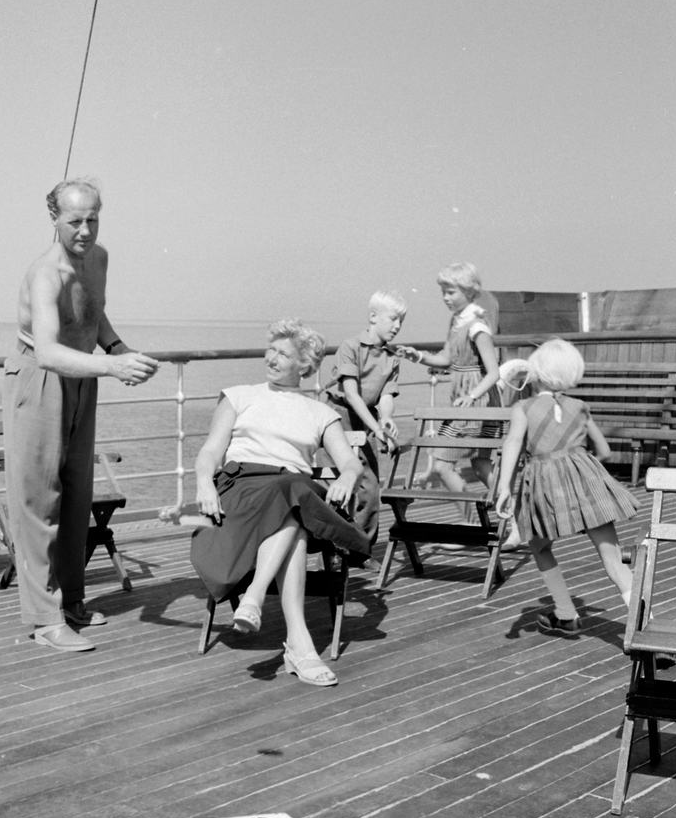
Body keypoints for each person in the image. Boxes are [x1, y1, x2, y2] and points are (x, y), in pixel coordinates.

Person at [4, 176, 161, 652]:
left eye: (93, 219)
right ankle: (45, 620)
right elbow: (48, 351)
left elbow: (92, 312)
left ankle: (71, 602)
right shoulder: (45, 273)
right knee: (39, 502)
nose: (85, 231)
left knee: (76, 496)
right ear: (54, 218)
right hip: (40, 377)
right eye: (75, 221)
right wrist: (113, 367)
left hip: (83, 374)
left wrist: (117, 348)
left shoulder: (99, 258)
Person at [191, 320, 376, 687]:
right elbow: (210, 451)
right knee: (297, 506)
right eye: (271, 350)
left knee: (293, 495)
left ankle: (259, 602)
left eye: (284, 354)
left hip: (291, 493)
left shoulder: (320, 413)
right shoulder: (239, 396)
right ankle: (297, 645)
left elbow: (350, 462)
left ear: (304, 366)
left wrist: (347, 478)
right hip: (241, 492)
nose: (272, 359)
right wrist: (203, 484)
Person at [494, 340, 638, 638]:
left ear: (536, 372)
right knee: (613, 560)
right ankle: (646, 625)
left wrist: (504, 488)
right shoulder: (580, 407)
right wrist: (579, 467)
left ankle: (566, 614)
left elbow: (512, 444)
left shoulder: (523, 408)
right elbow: (605, 451)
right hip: (587, 485)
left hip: (545, 488)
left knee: (539, 546)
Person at [397, 262, 502, 494]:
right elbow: (446, 359)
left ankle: (480, 514)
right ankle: (508, 510)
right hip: (462, 404)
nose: (445, 298)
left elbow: (494, 372)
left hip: (478, 403)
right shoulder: (456, 321)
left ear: (469, 291)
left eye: (451, 292)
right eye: (443, 292)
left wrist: (472, 396)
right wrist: (418, 356)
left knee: (444, 467)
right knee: (480, 464)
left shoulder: (477, 327)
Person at [324, 290, 408, 482]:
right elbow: (351, 394)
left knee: (369, 481)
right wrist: (377, 429)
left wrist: (386, 417)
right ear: (373, 317)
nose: (397, 326)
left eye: (401, 321)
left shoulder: (392, 358)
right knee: (335, 477)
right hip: (339, 416)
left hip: (367, 418)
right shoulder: (350, 347)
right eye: (393, 319)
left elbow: (386, 395)